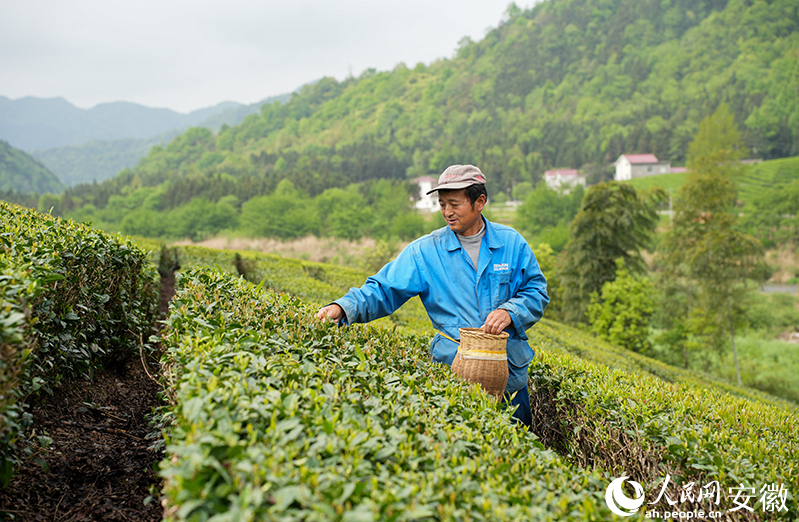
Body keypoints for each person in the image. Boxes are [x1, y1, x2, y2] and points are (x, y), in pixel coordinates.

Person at [316, 164, 549, 427]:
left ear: (480, 201)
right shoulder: (425, 252)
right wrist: (343, 308)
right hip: (453, 374)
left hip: (509, 379)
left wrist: (510, 312)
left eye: (454, 204)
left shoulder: (512, 243)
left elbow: (536, 291)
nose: (447, 212)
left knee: (517, 454)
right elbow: (383, 289)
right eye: (442, 204)